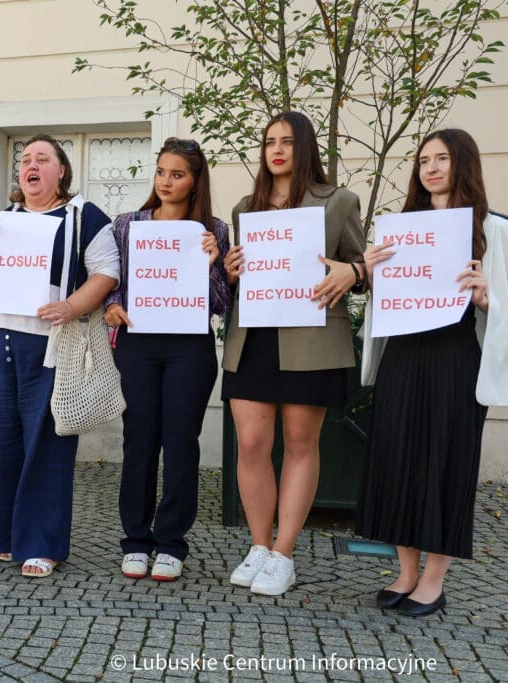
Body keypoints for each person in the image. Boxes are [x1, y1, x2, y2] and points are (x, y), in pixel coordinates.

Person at [357, 129, 507, 617]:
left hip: (457, 354)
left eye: (442, 158)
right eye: (424, 160)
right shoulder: (402, 228)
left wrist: (486, 298)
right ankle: (404, 571)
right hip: (404, 352)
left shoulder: (495, 230)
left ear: (464, 164)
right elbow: (386, 297)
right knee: (397, 454)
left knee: (444, 459)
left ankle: (435, 580)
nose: (431, 168)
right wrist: (374, 273)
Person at [221, 111, 366, 595]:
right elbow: (238, 279)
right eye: (269, 142)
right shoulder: (246, 207)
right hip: (254, 337)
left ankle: (284, 554)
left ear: (305, 148)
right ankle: (259, 547)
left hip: (312, 336)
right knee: (251, 445)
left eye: (286, 141)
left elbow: (363, 269)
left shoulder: (339, 202)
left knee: (301, 445)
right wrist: (232, 269)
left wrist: (355, 272)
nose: (276, 150)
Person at [0, 134, 120, 578]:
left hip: (52, 342)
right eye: (25, 160)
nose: (31, 166)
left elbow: (107, 272)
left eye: (42, 159)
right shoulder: (6, 218)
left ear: (61, 171)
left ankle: (41, 544)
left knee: (46, 444)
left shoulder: (84, 216)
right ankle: (5, 536)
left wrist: (72, 306)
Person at [104, 138, 231, 581]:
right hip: (138, 343)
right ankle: (136, 540)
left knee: (180, 443)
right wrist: (111, 306)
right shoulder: (128, 225)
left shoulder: (211, 228)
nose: (166, 182)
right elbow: (112, 280)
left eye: (177, 174)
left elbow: (220, 303)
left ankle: (172, 541)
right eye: (161, 172)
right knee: (139, 439)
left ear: (195, 181)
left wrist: (214, 263)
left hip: (189, 347)